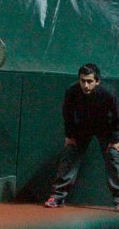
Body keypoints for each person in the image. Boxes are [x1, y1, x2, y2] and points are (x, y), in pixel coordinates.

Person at [44, 63, 119, 210]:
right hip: (82, 127)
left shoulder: (109, 93)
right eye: (82, 80)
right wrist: (70, 136)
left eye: (90, 81)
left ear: (97, 81)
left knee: (114, 155)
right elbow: (68, 114)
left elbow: (118, 116)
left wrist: (116, 140)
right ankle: (58, 197)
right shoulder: (72, 91)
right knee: (70, 152)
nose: (85, 85)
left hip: (106, 127)